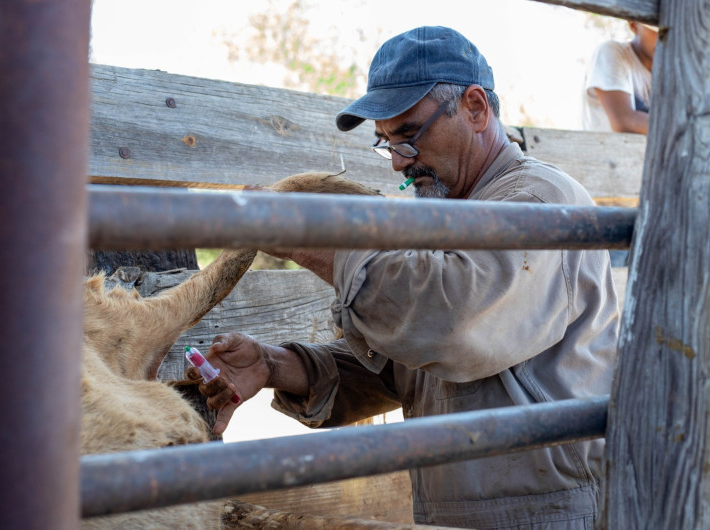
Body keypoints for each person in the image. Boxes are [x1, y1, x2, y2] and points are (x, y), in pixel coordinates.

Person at [188, 26, 619, 529]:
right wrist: (273, 365)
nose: (398, 163)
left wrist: (312, 243)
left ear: (476, 108)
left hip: (549, 512)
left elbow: (450, 324)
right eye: (386, 143)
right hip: (456, 512)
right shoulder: (447, 217)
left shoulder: (539, 201)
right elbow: (411, 370)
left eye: (410, 136)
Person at [582, 21, 658, 134]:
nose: (667, 39)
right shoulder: (611, 52)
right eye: (659, 31)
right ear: (633, 24)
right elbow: (623, 121)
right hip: (603, 150)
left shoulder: (671, 73)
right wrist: (687, 129)